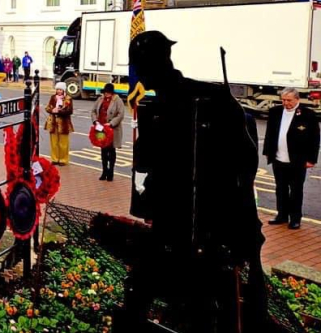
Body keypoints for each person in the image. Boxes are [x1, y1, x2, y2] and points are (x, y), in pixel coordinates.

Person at [123, 30, 268, 333]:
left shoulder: (208, 99)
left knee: (211, 306)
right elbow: (148, 163)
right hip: (175, 222)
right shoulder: (163, 104)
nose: (139, 76)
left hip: (208, 226)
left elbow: (245, 161)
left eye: (139, 67)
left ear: (152, 64)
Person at [262, 87, 319, 230]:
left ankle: (295, 218)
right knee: (280, 189)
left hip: (297, 161)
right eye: (283, 100)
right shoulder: (275, 112)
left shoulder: (308, 115)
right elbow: (270, 133)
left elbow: (314, 139)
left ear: (297, 99)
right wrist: (268, 151)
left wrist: (311, 159)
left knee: (295, 191)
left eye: (289, 100)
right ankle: (281, 215)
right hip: (279, 159)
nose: (286, 103)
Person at [91, 83, 125, 181]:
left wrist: (111, 123)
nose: (107, 95)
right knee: (103, 151)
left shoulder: (118, 100)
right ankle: (104, 171)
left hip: (112, 129)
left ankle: (111, 172)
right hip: (101, 128)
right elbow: (93, 111)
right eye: (105, 93)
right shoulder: (100, 99)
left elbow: (120, 114)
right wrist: (95, 121)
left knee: (111, 150)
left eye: (109, 93)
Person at [44, 82, 73, 165]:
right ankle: (54, 159)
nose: (59, 91)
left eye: (60, 89)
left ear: (63, 90)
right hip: (53, 123)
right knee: (54, 142)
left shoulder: (68, 98)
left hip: (64, 124)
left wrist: (60, 111)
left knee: (63, 143)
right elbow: (48, 107)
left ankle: (63, 160)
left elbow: (70, 111)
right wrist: (52, 110)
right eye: (57, 89)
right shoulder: (53, 97)